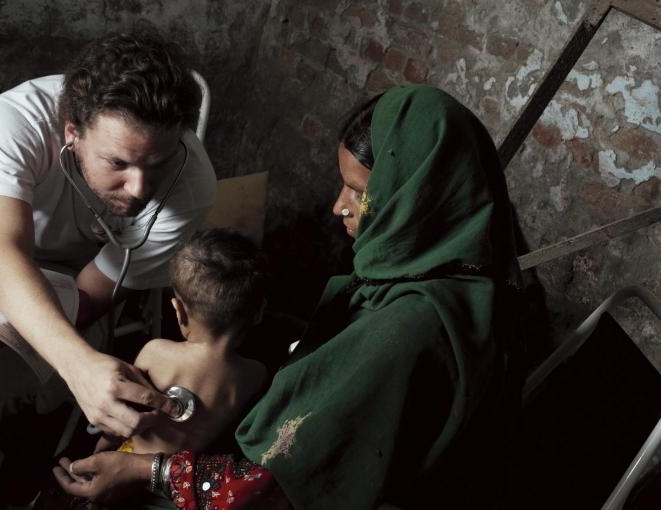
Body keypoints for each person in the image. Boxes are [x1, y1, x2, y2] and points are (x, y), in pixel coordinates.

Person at [53, 83, 524, 509]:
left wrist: (138, 469)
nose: (338, 205)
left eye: (360, 192)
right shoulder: (449, 283)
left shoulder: (406, 330)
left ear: (417, 197)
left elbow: (270, 490)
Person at [0, 30, 216, 506]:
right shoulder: (16, 117)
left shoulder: (189, 190)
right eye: (118, 163)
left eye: (158, 162)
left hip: (69, 278)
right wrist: (77, 367)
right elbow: (3, 255)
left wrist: (77, 362)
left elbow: (89, 296)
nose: (138, 187)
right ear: (72, 133)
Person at [47, 228, 268, 508]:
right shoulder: (254, 375)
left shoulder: (156, 352)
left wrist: (103, 444)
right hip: (175, 485)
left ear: (179, 311)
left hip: (128, 461)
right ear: (259, 312)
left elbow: (122, 417)